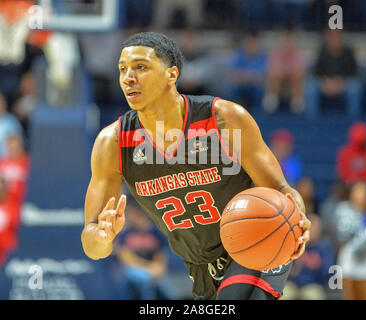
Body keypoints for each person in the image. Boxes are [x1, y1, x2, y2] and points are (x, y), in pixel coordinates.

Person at [81, 32, 311, 300]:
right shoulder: (113, 143)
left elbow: (281, 189)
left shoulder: (224, 118)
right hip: (200, 267)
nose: (128, 77)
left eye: (141, 67)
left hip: (257, 238)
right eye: (123, 69)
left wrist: (299, 217)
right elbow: (93, 246)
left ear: (172, 74)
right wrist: (103, 235)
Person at [114, 200, 177, 300]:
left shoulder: (155, 231)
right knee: (147, 281)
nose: (130, 217)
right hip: (132, 269)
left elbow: (160, 255)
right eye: (128, 215)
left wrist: (159, 268)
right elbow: (127, 259)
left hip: (153, 270)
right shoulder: (125, 234)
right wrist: (149, 269)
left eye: (133, 214)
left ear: (141, 213)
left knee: (168, 288)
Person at [334, 181, 366, 300]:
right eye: (357, 191)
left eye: (363, 192)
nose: (360, 195)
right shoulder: (343, 210)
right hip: (348, 263)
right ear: (351, 194)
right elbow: (340, 236)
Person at [306, 29, 360, 118]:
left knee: (354, 88)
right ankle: (311, 119)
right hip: (326, 84)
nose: (335, 40)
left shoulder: (348, 52)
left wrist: (341, 82)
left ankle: (353, 119)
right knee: (310, 86)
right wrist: (325, 82)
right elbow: (317, 72)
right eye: (332, 37)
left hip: (344, 84)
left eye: (337, 37)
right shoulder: (323, 52)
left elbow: (353, 72)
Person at [262, 29, 306, 114]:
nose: (287, 45)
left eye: (289, 42)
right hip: (279, 80)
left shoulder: (297, 56)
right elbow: (273, 70)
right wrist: (283, 72)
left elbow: (299, 71)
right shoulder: (276, 55)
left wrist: (287, 72)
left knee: (296, 75)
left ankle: (297, 103)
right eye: (285, 42)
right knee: (275, 75)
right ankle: (272, 101)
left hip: (292, 81)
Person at [226, 30, 268, 112]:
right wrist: (245, 77)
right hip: (241, 84)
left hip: (255, 85)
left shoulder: (262, 56)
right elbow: (233, 74)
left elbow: (263, 75)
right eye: (249, 42)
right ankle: (234, 113)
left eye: (253, 42)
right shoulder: (239, 55)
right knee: (233, 89)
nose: (251, 45)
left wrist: (249, 77)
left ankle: (258, 114)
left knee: (258, 90)